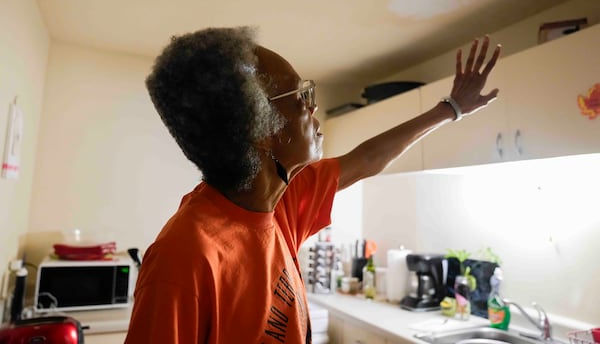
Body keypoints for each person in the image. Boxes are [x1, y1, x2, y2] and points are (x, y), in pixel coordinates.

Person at [124, 26, 501, 344]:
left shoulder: (279, 200)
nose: (313, 107)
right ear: (262, 128)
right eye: (299, 96)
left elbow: (368, 159)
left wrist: (451, 108)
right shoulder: (184, 258)